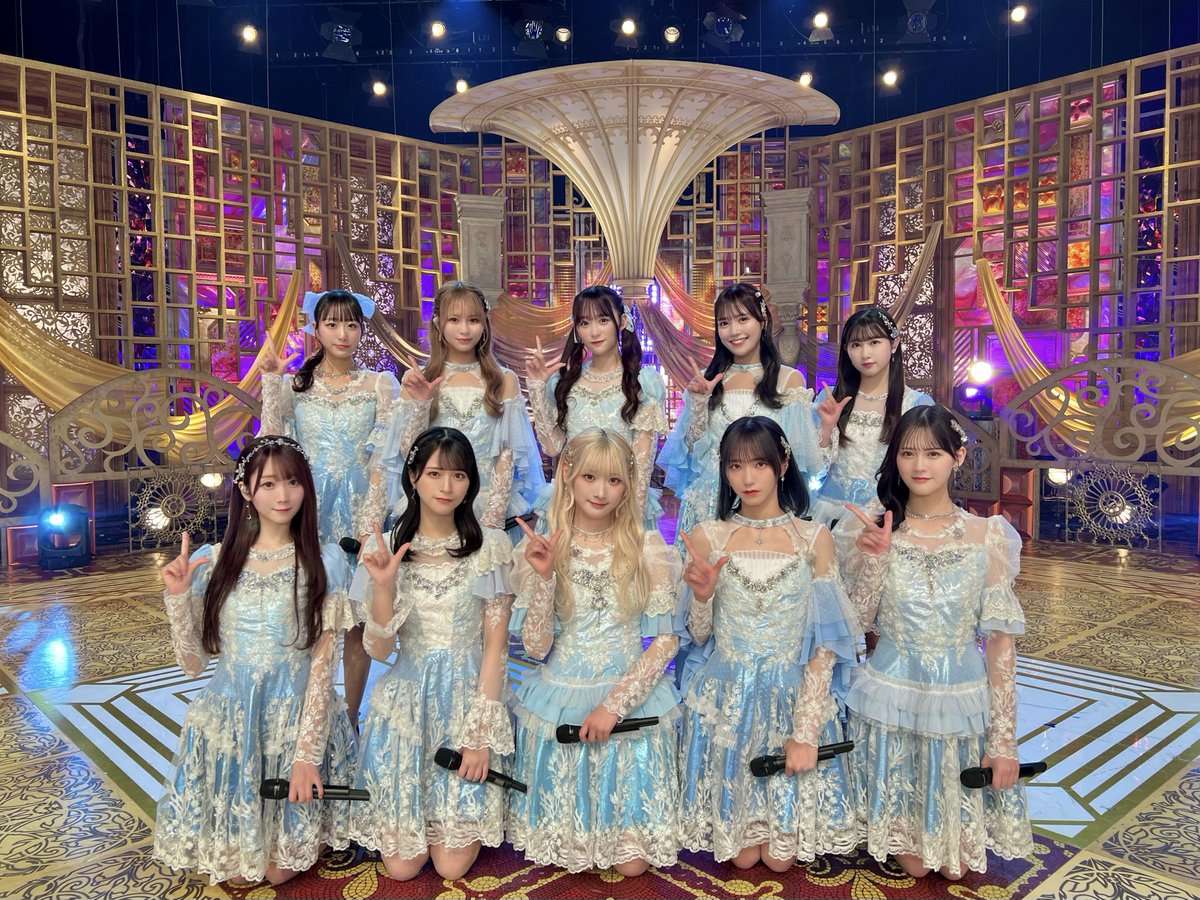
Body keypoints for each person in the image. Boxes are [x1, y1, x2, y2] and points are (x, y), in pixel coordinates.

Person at [153, 435, 357, 886]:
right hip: (231, 723)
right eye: (268, 484)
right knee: (241, 873)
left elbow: (323, 669)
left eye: (292, 482)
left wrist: (306, 757)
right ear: (246, 490)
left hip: (294, 719)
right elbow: (193, 664)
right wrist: (178, 598)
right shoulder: (213, 561)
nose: (283, 495)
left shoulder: (325, 562)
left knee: (277, 873)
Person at [841, 404, 1033, 879]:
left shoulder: (987, 535)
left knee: (956, 867)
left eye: (932, 453)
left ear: (957, 457)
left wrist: (1003, 740)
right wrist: (875, 559)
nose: (919, 465)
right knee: (917, 863)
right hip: (892, 695)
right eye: (907, 453)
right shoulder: (874, 529)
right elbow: (856, 623)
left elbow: (1000, 644)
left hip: (959, 700)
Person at [676, 416, 859, 870]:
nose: (747, 477)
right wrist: (702, 598)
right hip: (726, 699)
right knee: (740, 858)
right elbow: (698, 636)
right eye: (735, 466)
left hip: (791, 696)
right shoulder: (707, 535)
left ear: (783, 463)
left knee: (780, 859)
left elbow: (826, 646)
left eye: (759, 464)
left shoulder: (814, 538)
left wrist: (806, 730)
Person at [507, 429, 682, 874]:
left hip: (628, 705)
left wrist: (613, 707)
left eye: (614, 480)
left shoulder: (646, 547)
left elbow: (666, 641)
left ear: (628, 485)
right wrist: (545, 578)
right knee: (568, 861)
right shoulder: (545, 545)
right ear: (568, 474)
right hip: (561, 701)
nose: (601, 491)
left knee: (633, 865)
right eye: (589, 477)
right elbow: (535, 647)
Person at [346, 427, 514, 882]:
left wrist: (479, 736)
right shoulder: (381, 547)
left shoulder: (491, 547)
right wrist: (383, 588)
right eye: (435, 473)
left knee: (451, 866)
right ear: (413, 477)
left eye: (459, 475)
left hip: (466, 700)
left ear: (470, 482)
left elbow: (496, 648)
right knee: (402, 868)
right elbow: (378, 649)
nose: (447, 486)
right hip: (406, 709)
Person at [257, 288, 401, 729]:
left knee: (357, 619)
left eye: (352, 324)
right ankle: (304, 716)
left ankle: (351, 717)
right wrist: (270, 383)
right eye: (333, 324)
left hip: (360, 513)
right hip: (307, 511)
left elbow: (386, 459)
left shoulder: (380, 384)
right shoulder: (295, 387)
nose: (343, 334)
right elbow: (271, 443)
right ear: (315, 329)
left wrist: (370, 521)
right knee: (307, 612)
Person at [381, 281, 543, 539]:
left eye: (474, 320)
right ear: (438, 323)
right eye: (454, 320)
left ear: (485, 325)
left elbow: (507, 455)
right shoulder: (419, 379)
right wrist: (422, 403)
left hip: (490, 505)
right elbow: (409, 452)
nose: (465, 330)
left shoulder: (504, 380)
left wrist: (492, 521)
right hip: (434, 507)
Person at [660, 283, 824, 538]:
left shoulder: (788, 380)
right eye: (724, 323)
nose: (734, 331)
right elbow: (690, 453)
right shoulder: (706, 380)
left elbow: (797, 457)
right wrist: (699, 403)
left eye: (743, 319)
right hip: (709, 502)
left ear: (762, 321)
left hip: (764, 503)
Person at [524, 285, 667, 531]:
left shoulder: (643, 383)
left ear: (622, 322)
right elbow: (552, 447)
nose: (594, 331)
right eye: (584, 323)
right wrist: (537, 387)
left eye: (603, 320)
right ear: (576, 329)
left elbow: (641, 467)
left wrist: (630, 522)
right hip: (570, 504)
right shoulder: (564, 382)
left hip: (620, 505)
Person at [809, 306, 933, 528]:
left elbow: (923, 468)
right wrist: (827, 428)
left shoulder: (916, 404)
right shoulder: (829, 400)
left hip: (886, 515)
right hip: (831, 514)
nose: (865, 353)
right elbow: (812, 469)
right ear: (846, 350)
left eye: (874, 342)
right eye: (856, 345)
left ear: (894, 344)